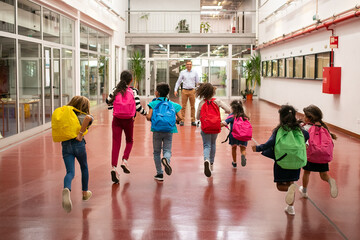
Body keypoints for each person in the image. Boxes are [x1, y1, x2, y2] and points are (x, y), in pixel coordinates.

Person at [252, 105, 309, 216]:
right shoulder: (300, 130)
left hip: (282, 162)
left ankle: (290, 189)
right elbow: (307, 136)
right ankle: (290, 207)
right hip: (296, 161)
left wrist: (258, 148)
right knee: (291, 182)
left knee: (280, 186)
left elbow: (270, 143)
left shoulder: (279, 130)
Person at [106, 70, 147, 184]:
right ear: (131, 80)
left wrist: (113, 110)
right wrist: (146, 114)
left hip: (117, 120)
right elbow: (138, 106)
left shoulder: (115, 90)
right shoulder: (133, 91)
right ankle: (124, 160)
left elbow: (107, 101)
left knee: (116, 143)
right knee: (129, 141)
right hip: (129, 120)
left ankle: (114, 168)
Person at [61, 96, 94, 213]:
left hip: (65, 145)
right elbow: (88, 117)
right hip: (79, 145)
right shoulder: (83, 116)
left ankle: (66, 188)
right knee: (84, 167)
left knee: (70, 172)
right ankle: (85, 192)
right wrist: (80, 134)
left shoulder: (66, 115)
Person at [299, 105, 338, 198]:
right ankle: (330, 181)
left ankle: (304, 191)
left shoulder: (305, 128)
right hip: (322, 155)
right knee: (323, 174)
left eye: (305, 116)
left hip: (311, 155)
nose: (303, 117)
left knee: (306, 172)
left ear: (309, 118)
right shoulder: (323, 127)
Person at [146, 83, 182, 181]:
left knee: (157, 152)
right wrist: (175, 121)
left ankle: (159, 174)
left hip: (157, 130)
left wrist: (148, 117)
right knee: (167, 150)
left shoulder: (153, 104)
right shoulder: (173, 104)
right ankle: (166, 160)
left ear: (157, 93)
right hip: (169, 130)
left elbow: (149, 117)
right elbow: (181, 117)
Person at [196, 83, 231, 177]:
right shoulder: (217, 101)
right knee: (213, 144)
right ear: (213, 92)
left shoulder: (201, 103)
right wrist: (227, 114)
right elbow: (228, 109)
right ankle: (211, 164)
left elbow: (197, 117)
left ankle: (206, 159)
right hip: (215, 126)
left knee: (207, 145)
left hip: (205, 127)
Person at [222, 100, 250, 168]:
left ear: (233, 108)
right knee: (243, 148)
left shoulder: (231, 116)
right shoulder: (244, 116)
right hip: (243, 136)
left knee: (234, 148)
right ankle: (243, 155)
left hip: (233, 136)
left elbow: (224, 123)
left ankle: (234, 162)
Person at [174, 60, 199, 126]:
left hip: (192, 91)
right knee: (183, 106)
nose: (189, 65)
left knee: (192, 106)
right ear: (186, 65)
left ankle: (193, 120)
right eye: (187, 64)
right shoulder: (182, 72)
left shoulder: (195, 72)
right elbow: (178, 82)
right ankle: (182, 120)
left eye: (190, 64)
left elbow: (197, 83)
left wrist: (198, 91)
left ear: (191, 65)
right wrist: (175, 89)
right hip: (184, 91)